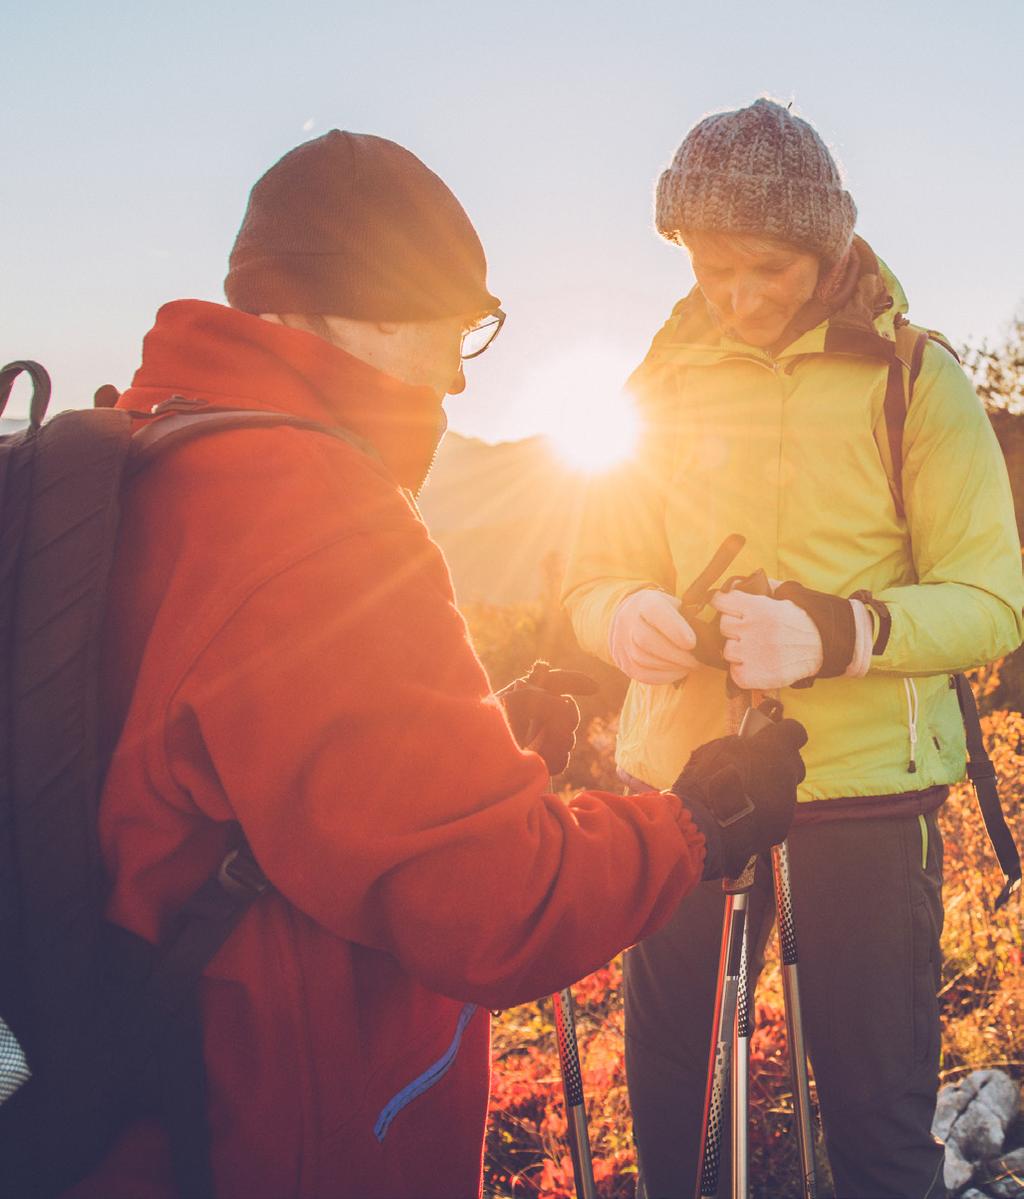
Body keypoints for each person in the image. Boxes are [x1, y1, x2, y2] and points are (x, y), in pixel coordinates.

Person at [69, 130, 807, 1199]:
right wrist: (692, 823)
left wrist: (482, 730)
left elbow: (253, 761)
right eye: (459, 329)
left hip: (120, 1107)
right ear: (372, 303)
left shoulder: (152, 452)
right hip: (267, 1128)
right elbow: (491, 900)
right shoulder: (309, 509)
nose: (460, 375)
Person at [562, 98, 1024, 1199]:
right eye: (710, 266)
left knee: (874, 1111)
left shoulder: (914, 377)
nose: (735, 296)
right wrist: (619, 612)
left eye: (764, 267)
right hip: (685, 787)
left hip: (866, 790)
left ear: (825, 250)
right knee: (672, 1102)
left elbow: (992, 600)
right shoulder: (654, 384)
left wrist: (841, 629)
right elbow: (582, 574)